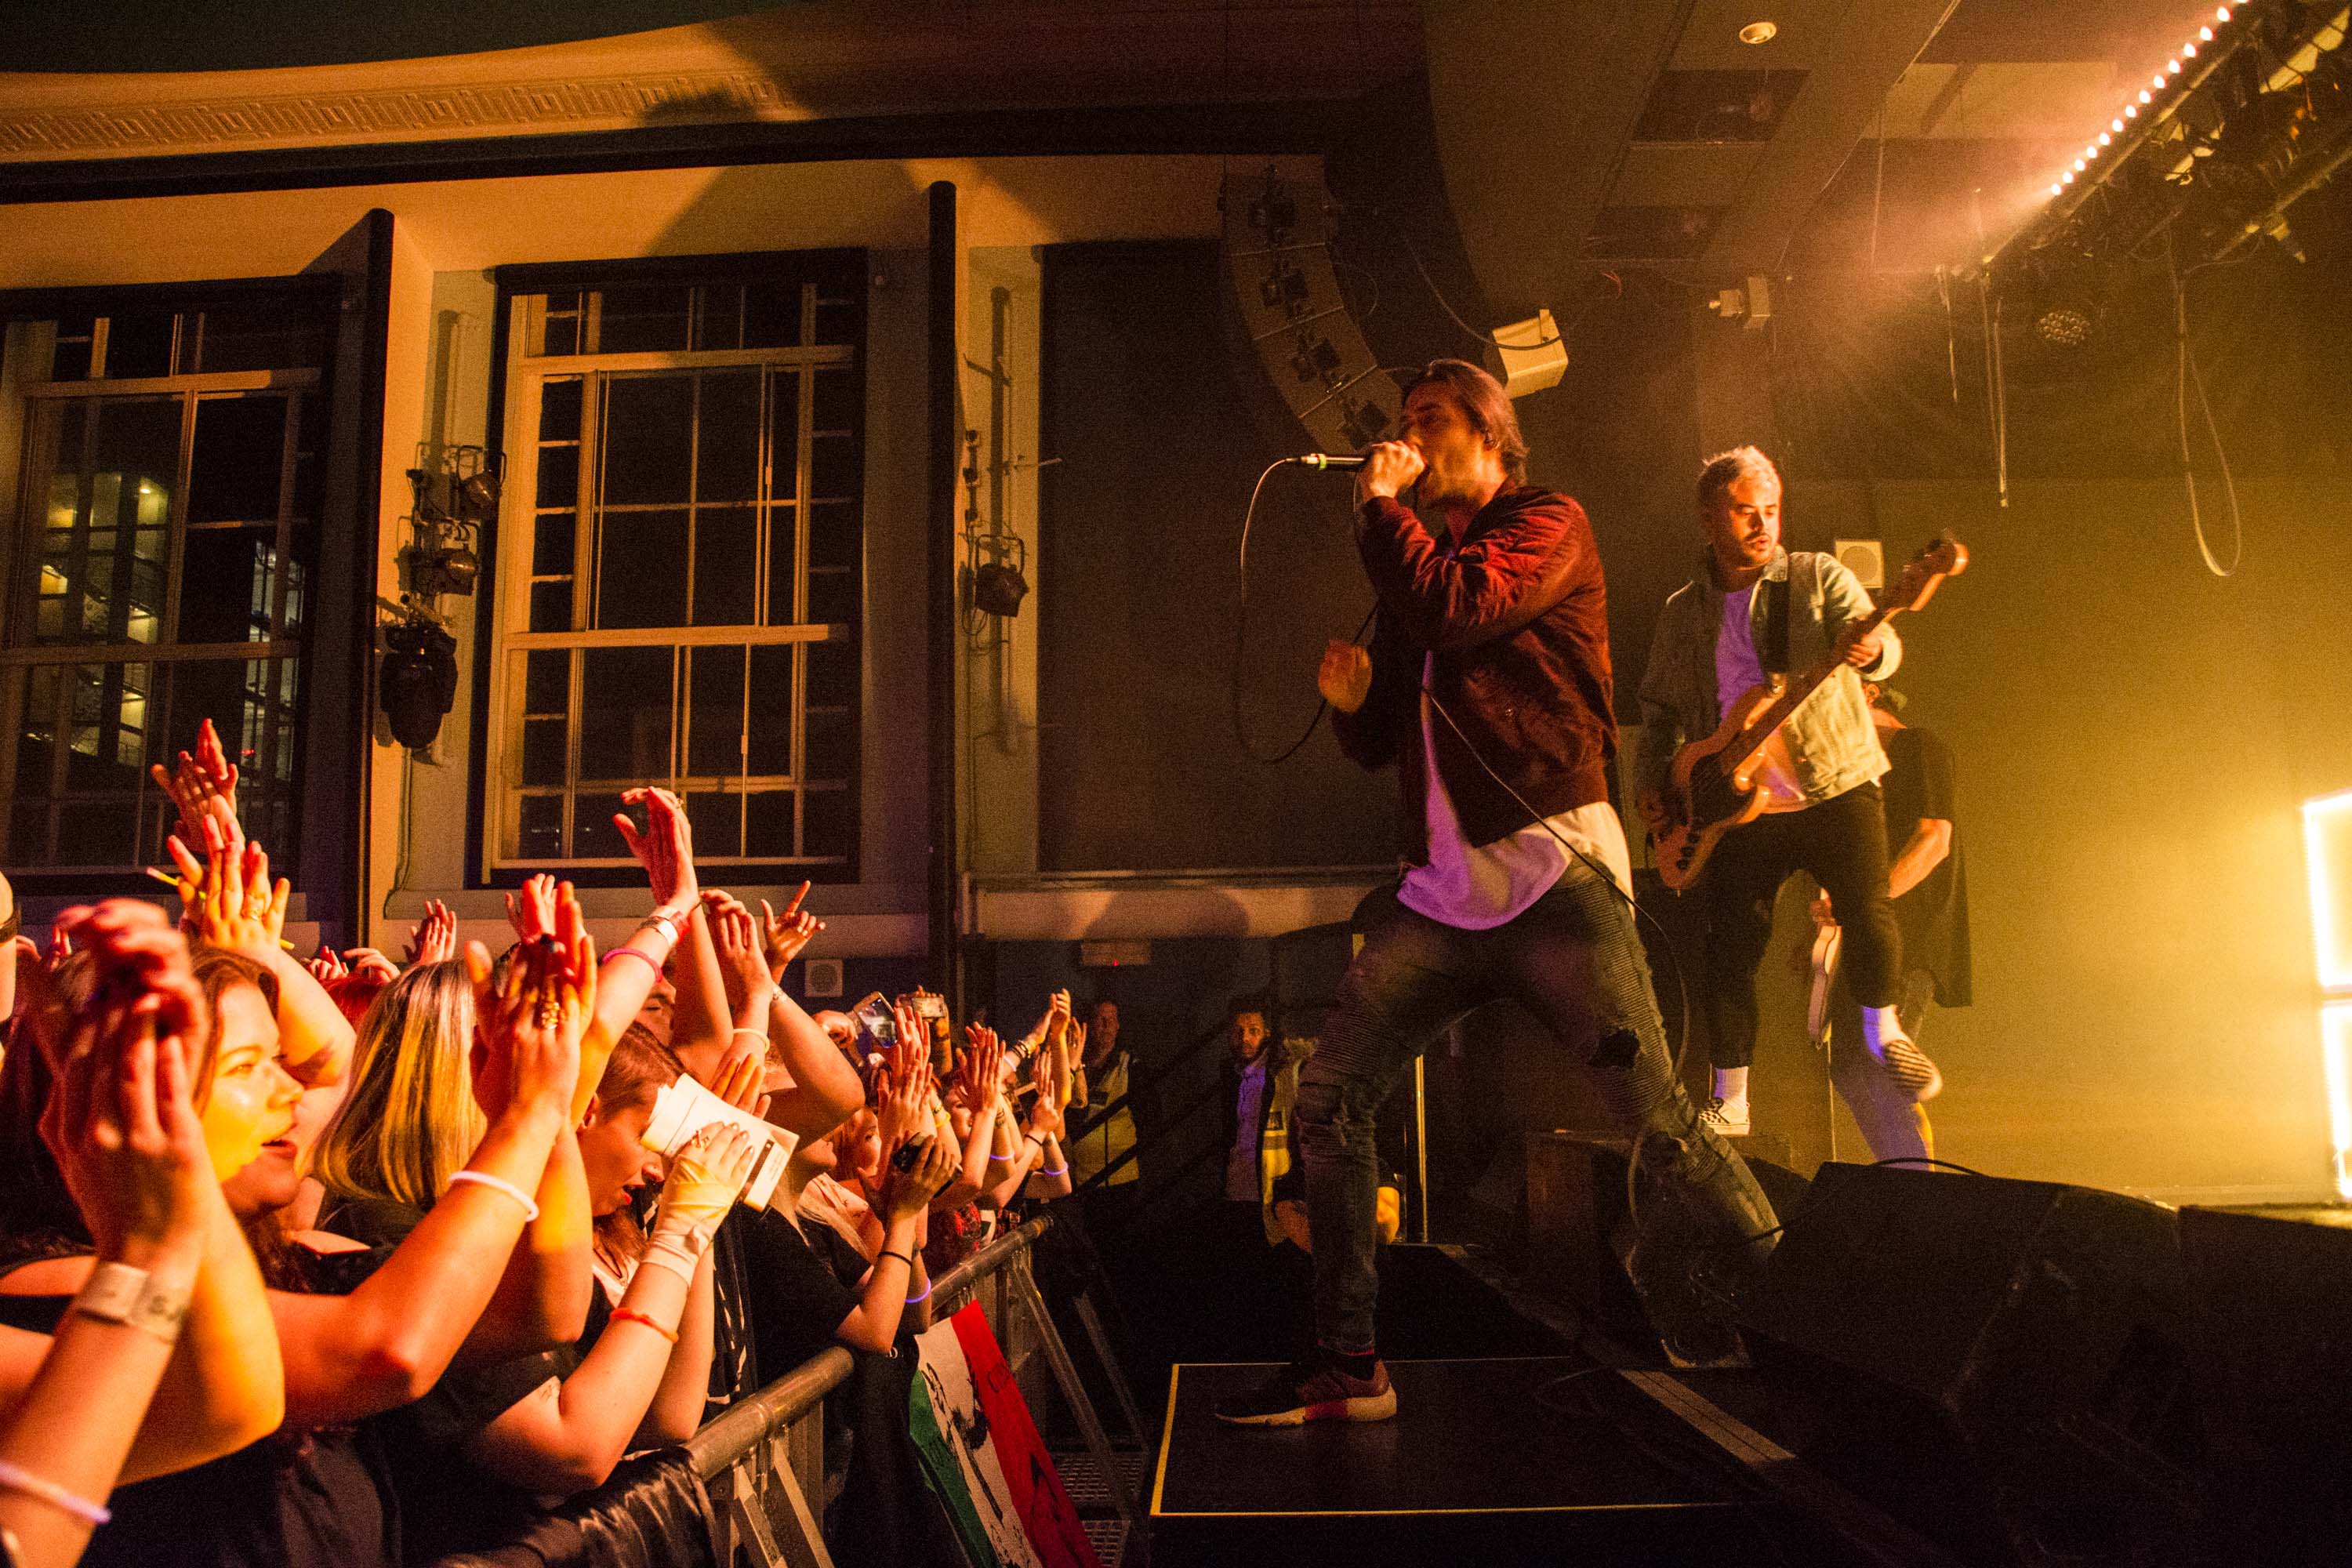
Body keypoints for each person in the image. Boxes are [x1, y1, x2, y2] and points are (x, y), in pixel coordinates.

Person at [1218, 361, 1778, 1426]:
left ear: (1491, 436)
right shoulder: (1418, 569)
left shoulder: (1546, 523)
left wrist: (1380, 510)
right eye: (1403, 422)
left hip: (1550, 873)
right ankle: (1350, 1361)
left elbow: (1457, 608)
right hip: (1441, 896)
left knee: (1658, 1123)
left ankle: (1802, 1317)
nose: (1407, 435)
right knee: (1329, 1100)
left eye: (1430, 419)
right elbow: (1387, 734)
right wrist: (1354, 705)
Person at [1633, 445, 1937, 1141]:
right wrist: (1655, 785)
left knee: (1868, 910)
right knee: (1731, 951)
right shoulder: (1683, 613)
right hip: (1735, 804)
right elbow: (1658, 713)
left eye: (1771, 511)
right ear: (1709, 518)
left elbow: (1883, 646)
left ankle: (1886, 1035)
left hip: (1834, 781)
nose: (1762, 524)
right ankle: (1731, 1099)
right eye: (1746, 512)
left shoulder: (1818, 576)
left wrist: (1874, 651)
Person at [1806, 683, 1969, 1161]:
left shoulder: (1919, 745)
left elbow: (1934, 841)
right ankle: (1905, 1171)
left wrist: (1861, 903)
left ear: (1869, 692)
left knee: (1872, 1065)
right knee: (1850, 1067)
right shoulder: (1856, 770)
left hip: (1913, 931)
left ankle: (1916, 1180)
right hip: (1870, 933)